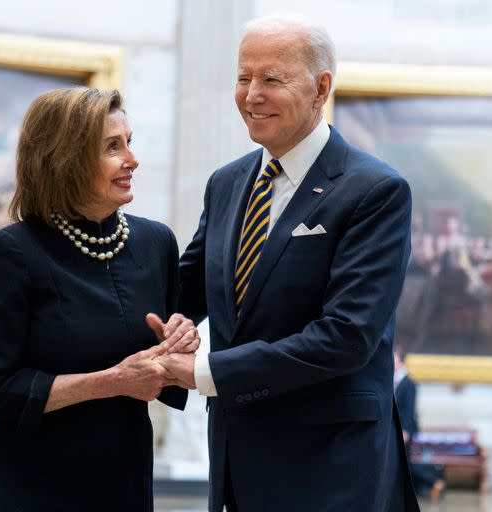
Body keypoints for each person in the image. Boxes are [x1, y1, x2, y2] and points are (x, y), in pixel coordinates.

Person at [154, 14, 420, 511]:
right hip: (236, 461)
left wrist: (202, 372)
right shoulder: (227, 183)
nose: (251, 94)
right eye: (242, 77)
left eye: (272, 79)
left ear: (321, 89)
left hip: (330, 470)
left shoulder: (375, 191)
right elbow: (186, 292)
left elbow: (346, 337)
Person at [0, 88, 198, 512]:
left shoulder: (156, 243)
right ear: (66, 157)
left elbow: (161, 369)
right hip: (30, 487)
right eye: (113, 146)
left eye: (129, 142)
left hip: (123, 482)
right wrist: (111, 381)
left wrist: (181, 343)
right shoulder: (14, 251)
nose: (132, 159)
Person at [394, 347, 446, 502]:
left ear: (401, 361)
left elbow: (409, 410)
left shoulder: (408, 382)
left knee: (407, 463)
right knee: (405, 463)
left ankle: (434, 482)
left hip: (405, 430)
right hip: (400, 429)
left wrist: (405, 431)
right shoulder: (396, 380)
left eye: (394, 357)